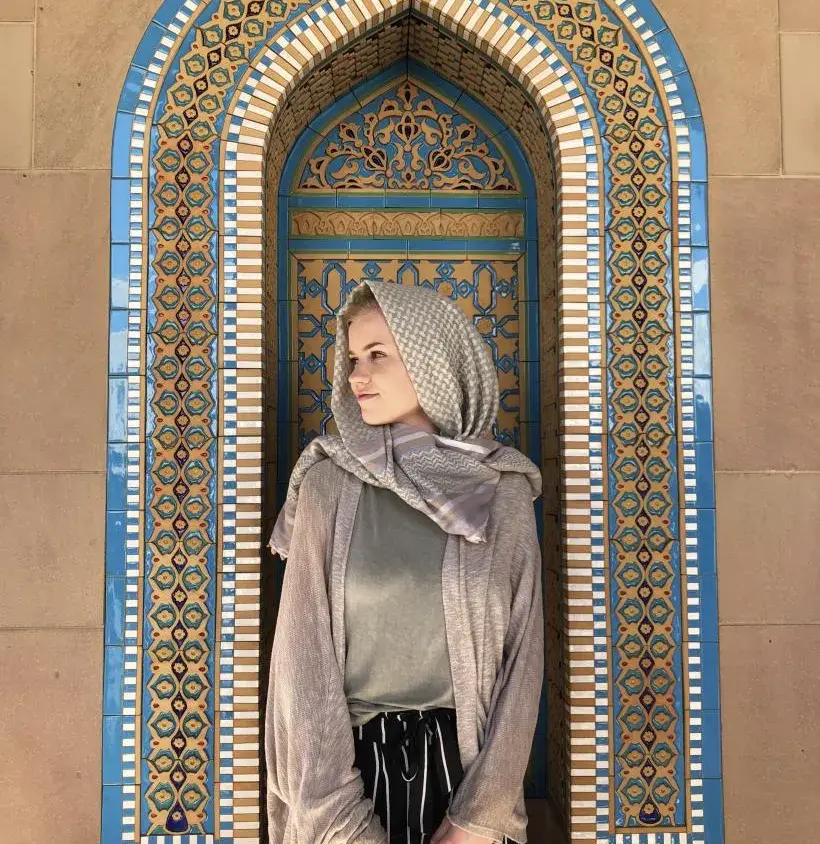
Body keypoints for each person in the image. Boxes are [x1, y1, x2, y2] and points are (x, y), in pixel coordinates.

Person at [265, 280, 544, 844]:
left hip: (466, 777)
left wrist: (479, 818)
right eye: (351, 359)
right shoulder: (326, 484)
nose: (356, 376)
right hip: (347, 781)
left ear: (432, 361)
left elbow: (523, 663)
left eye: (377, 356)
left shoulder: (502, 489)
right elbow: (300, 665)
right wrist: (339, 822)